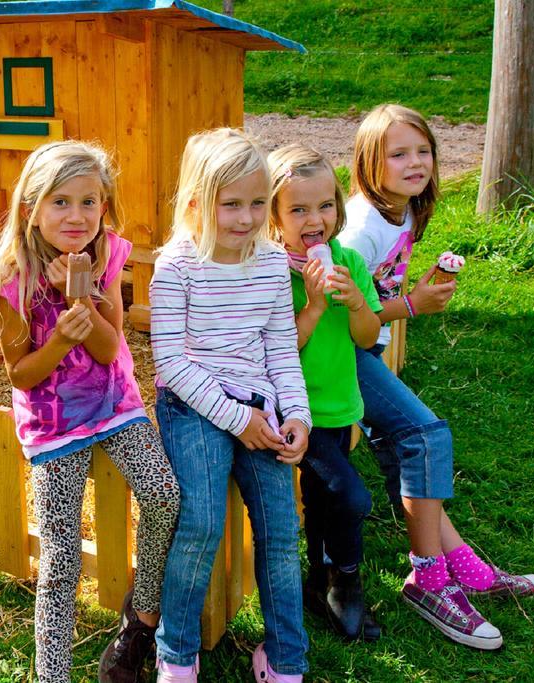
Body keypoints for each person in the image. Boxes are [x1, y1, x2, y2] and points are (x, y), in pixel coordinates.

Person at [0, 140, 181, 682]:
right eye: (61, 202)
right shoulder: (9, 281)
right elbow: (20, 374)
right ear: (31, 209)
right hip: (53, 423)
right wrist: (60, 340)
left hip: (114, 404)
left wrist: (82, 298)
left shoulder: (107, 254)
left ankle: (142, 615)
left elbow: (110, 350)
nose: (77, 216)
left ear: (104, 206)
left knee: (163, 494)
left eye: (90, 202)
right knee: (59, 558)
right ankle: (51, 674)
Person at [339, 104, 534, 650]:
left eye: (423, 151)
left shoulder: (403, 213)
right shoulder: (360, 228)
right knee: (427, 435)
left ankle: (466, 566)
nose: (416, 163)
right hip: (341, 355)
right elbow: (344, 322)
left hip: (366, 350)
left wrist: (409, 294)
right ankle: (428, 581)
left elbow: (377, 293)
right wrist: (411, 304)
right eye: (398, 153)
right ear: (368, 163)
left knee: (407, 446)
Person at [150, 127, 310, 683]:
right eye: (231, 205)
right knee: (200, 520)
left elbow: (282, 350)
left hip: (260, 408)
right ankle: (176, 653)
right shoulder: (176, 266)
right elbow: (171, 363)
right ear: (198, 202)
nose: (246, 219)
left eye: (258, 204)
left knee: (281, 530)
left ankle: (286, 659)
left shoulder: (269, 264)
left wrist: (296, 416)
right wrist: (239, 420)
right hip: (193, 405)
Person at [266, 144, 383, 642]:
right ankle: (346, 584)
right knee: (350, 497)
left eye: (325, 206)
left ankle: (319, 582)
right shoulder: (271, 270)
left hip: (339, 406)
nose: (315, 219)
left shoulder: (349, 262)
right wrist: (313, 307)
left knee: (321, 499)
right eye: (297, 209)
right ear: (273, 216)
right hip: (297, 412)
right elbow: (276, 346)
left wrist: (357, 303)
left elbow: (366, 336)